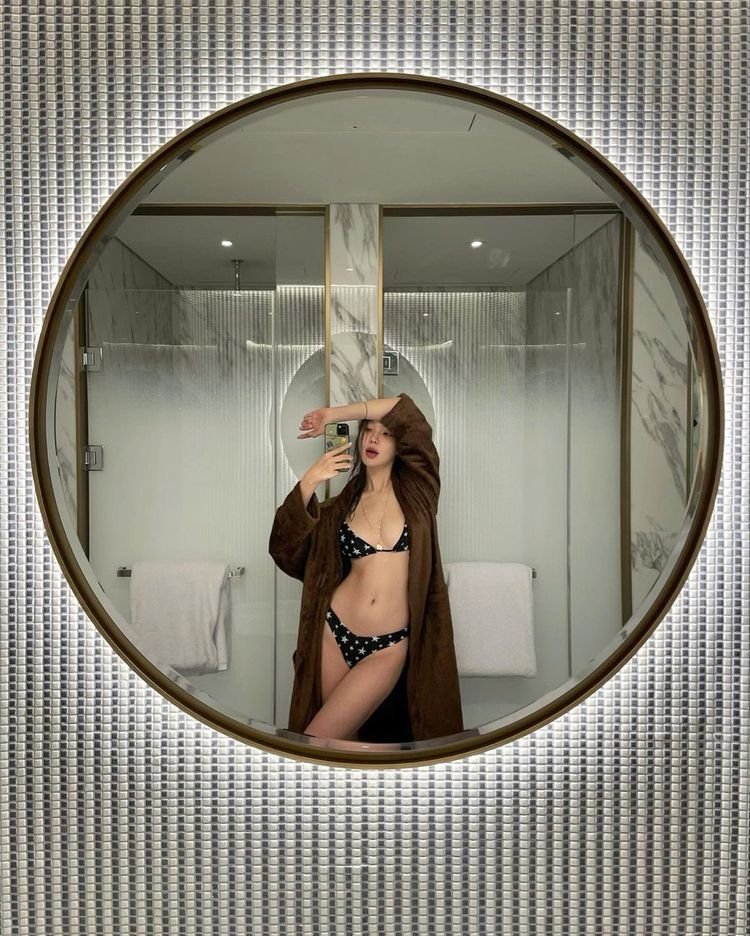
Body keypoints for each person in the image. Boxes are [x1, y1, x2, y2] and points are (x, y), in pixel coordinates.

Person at [268, 393, 463, 743]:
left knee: (320, 741)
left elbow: (405, 410)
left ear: (401, 443)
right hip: (334, 632)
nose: (373, 439)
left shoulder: (420, 492)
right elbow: (284, 548)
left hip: (389, 644)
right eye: (368, 431)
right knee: (341, 744)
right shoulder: (340, 508)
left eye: (385, 433)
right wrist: (310, 481)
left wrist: (333, 414)